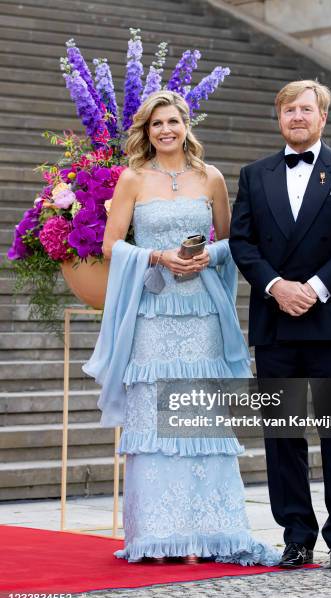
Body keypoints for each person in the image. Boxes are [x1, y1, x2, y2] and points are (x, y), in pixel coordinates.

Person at [83, 91, 280, 566]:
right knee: (154, 413)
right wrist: (157, 255)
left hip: (202, 314)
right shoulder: (131, 179)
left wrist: (204, 255)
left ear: (186, 124)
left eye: (172, 121)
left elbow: (234, 241)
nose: (165, 130)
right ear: (146, 131)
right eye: (156, 124)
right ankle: (156, 533)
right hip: (153, 312)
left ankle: (214, 529)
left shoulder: (210, 178)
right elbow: (111, 245)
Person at [229, 80, 331, 574]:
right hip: (276, 321)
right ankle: (296, 536)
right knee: (283, 436)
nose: (297, 116)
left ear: (322, 118)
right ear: (279, 118)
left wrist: (312, 288)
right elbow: (242, 243)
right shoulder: (254, 175)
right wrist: (277, 286)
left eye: (306, 109)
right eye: (289, 109)